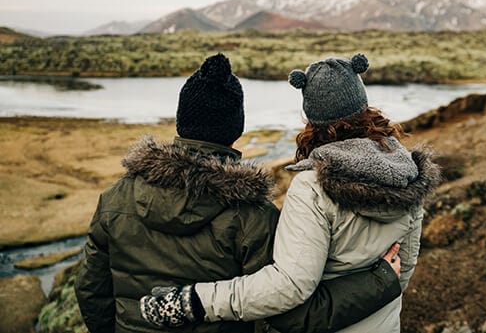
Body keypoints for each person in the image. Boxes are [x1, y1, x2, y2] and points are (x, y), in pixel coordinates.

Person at [75, 53, 404, 333]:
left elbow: (91, 290)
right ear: (236, 129)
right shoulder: (254, 216)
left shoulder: (115, 198)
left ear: (181, 120)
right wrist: (381, 283)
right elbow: (289, 311)